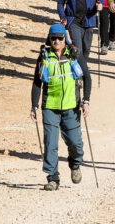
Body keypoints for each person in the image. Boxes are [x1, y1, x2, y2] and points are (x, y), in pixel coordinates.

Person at [31, 23, 89, 190]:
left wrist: (86, 100)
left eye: (59, 38)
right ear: (49, 39)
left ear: (65, 39)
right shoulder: (44, 57)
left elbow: (87, 77)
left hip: (71, 106)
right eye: (53, 38)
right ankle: (52, 178)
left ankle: (75, 164)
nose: (56, 41)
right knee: (50, 143)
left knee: (75, 144)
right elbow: (37, 82)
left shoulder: (74, 54)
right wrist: (34, 105)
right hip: (50, 106)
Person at [57, 0, 100, 79]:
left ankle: (81, 69)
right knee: (78, 49)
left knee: (86, 49)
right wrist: (63, 17)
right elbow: (60, 2)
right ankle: (79, 76)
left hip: (89, 19)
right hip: (73, 20)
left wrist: (99, 4)